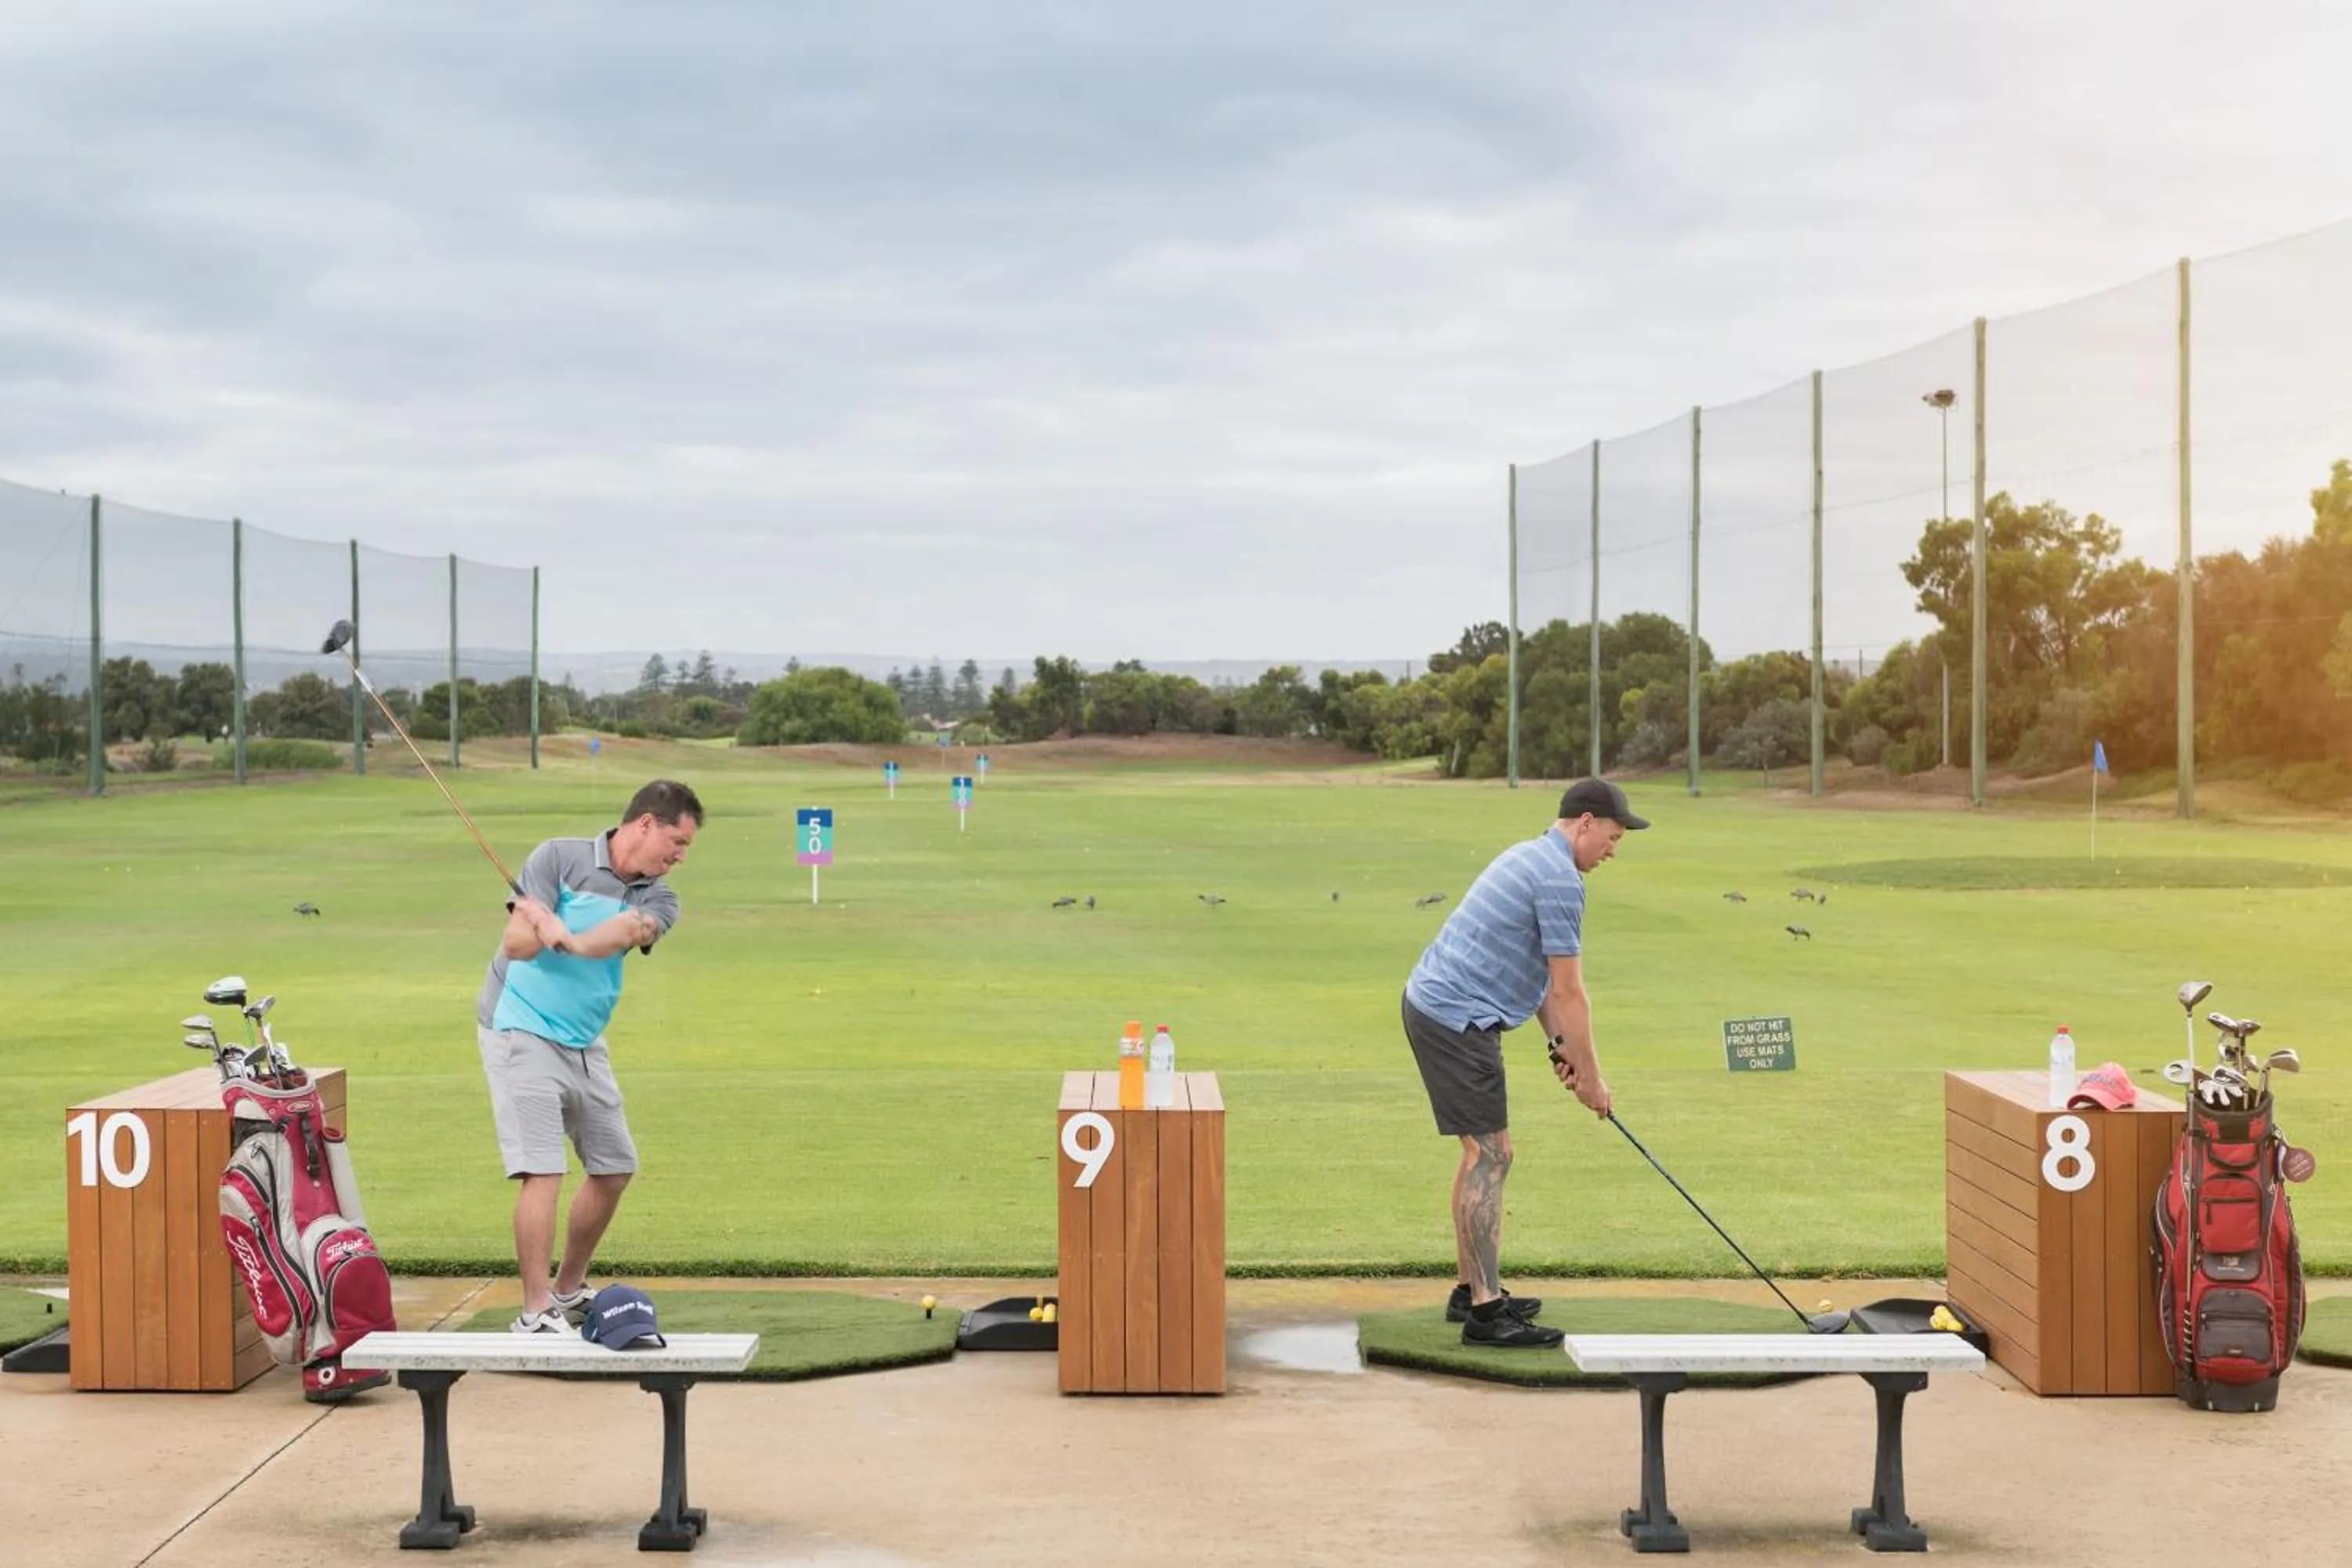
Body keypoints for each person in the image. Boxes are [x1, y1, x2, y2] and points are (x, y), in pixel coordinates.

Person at [1400, 777, 1647, 1347]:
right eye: (1611, 837)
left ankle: (1470, 1292)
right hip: (1454, 1017)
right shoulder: (1559, 878)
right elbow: (1569, 992)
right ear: (1585, 823)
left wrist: (1563, 1049)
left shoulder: (1532, 855)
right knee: (1492, 1154)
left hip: (1442, 1007)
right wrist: (1592, 1078)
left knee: (1480, 1155)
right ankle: (1487, 1314)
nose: (1613, 849)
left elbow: (1539, 986)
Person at [477, 779, 702, 1333]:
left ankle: (568, 1288)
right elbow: (515, 944)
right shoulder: (557, 857)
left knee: (614, 1166)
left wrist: (566, 933)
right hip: (520, 1027)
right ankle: (533, 1311)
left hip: (582, 1038)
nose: (679, 856)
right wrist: (542, 925)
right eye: (676, 841)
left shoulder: (657, 896)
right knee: (543, 1169)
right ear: (646, 823)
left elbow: (629, 930)